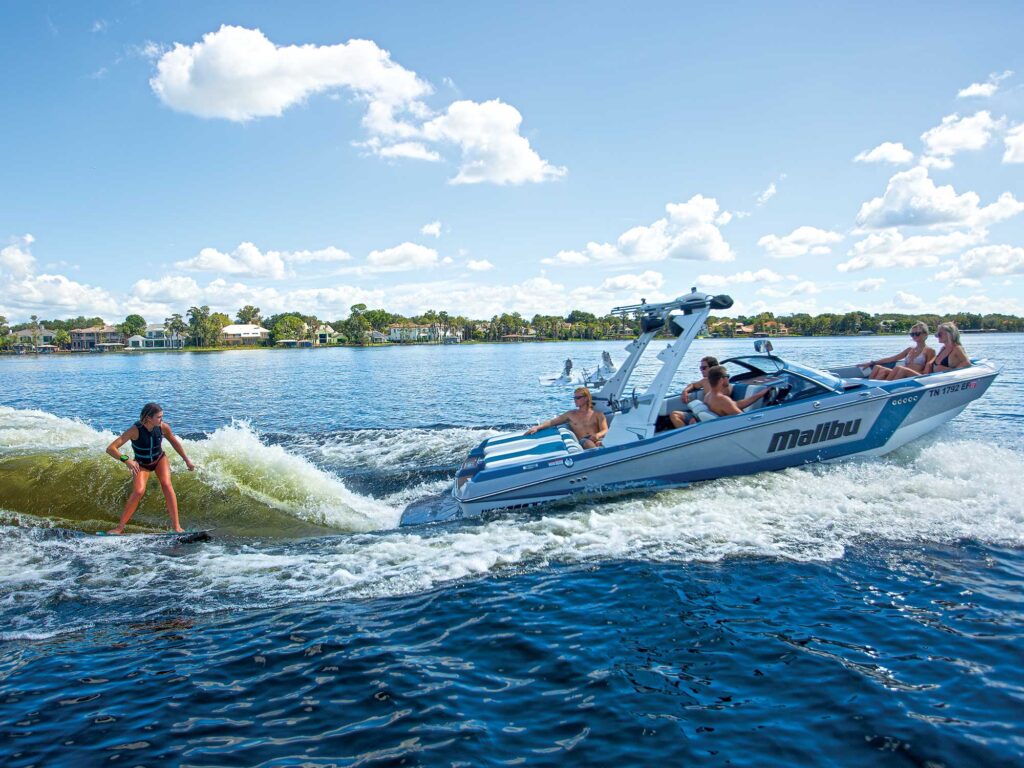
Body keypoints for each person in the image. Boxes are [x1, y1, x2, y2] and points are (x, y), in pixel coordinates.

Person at [105, 402, 195, 533]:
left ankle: (177, 527)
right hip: (141, 463)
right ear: (148, 418)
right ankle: (119, 528)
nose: (161, 419)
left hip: (159, 459)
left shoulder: (163, 427)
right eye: (159, 417)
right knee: (139, 491)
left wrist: (187, 460)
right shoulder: (134, 430)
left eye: (161, 416)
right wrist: (126, 460)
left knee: (166, 484)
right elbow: (111, 448)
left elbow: (174, 442)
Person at [525, 386, 608, 448]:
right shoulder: (571, 414)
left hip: (598, 439)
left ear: (586, 398)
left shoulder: (598, 414)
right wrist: (537, 427)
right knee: (588, 443)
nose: (575, 400)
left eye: (578, 398)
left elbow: (605, 430)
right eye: (574, 398)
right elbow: (552, 422)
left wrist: (597, 435)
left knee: (601, 443)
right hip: (584, 442)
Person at [862, 322, 936, 380]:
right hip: (903, 373)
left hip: (917, 376)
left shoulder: (929, 351)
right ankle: (870, 391)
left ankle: (886, 390)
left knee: (900, 368)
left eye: (917, 334)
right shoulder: (909, 349)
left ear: (925, 334)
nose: (914, 336)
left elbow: (928, 369)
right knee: (878, 368)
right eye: (912, 334)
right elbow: (892, 358)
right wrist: (872, 363)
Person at [669, 356, 720, 427]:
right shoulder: (704, 381)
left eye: (703, 368)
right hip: (701, 412)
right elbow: (693, 385)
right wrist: (685, 391)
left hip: (711, 416)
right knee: (674, 414)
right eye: (700, 368)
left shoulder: (721, 383)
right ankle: (687, 435)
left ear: (712, 368)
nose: (701, 370)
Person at [705, 365, 771, 417]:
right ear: (721, 380)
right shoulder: (722, 399)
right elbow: (743, 418)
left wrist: (762, 393)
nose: (728, 378)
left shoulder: (708, 396)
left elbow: (736, 405)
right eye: (727, 376)